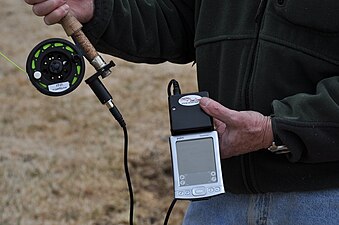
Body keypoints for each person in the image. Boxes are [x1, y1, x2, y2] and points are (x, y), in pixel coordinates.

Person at [24, 0, 339, 224]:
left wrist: (277, 128)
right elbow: (177, 19)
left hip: (324, 199)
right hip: (217, 194)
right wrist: (95, 9)